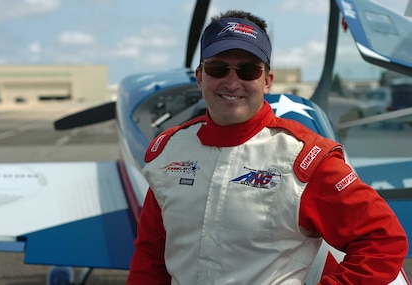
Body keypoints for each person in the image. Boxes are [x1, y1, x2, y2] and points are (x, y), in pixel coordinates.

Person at [127, 10, 408, 285]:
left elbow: (383, 240)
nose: (232, 82)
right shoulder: (169, 151)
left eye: (248, 70)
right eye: (218, 68)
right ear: (200, 76)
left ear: (266, 81)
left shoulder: (305, 159)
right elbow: (150, 254)